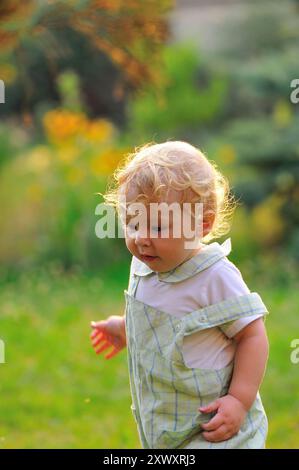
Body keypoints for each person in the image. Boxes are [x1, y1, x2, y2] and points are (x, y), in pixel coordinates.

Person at [90, 141, 269, 449]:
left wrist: (239, 400)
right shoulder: (144, 266)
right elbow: (165, 322)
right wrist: (126, 327)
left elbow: (252, 335)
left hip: (214, 428)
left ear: (202, 224)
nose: (141, 239)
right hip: (167, 425)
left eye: (158, 227)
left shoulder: (214, 275)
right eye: (132, 224)